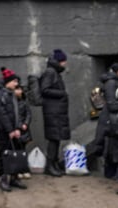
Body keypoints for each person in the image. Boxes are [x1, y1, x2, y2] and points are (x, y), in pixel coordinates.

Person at [0, 68, 26, 192]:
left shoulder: (11, 94)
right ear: (8, 82)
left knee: (14, 153)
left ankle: (14, 178)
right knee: (5, 154)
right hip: (3, 131)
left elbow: (17, 113)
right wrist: (10, 130)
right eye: (14, 81)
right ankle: (4, 180)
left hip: (13, 130)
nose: (16, 84)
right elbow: (2, 115)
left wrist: (17, 128)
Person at [40, 49, 70, 177]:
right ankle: (50, 166)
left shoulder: (55, 73)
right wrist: (62, 93)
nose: (65, 64)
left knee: (56, 139)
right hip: (53, 112)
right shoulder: (50, 72)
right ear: (58, 61)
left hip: (56, 111)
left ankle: (54, 164)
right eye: (64, 61)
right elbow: (44, 89)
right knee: (53, 139)